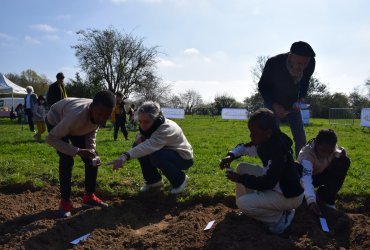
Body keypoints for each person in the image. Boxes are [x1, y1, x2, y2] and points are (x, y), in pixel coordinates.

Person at [219, 108, 304, 236]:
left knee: (243, 202)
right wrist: (231, 155)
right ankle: (248, 210)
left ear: (268, 133)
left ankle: (281, 218)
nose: (251, 136)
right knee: (242, 167)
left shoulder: (277, 151)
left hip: (289, 195)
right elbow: (246, 148)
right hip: (278, 185)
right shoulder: (266, 140)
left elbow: (267, 183)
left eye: (254, 133)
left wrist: (240, 178)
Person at [45, 90, 115, 217]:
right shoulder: (76, 116)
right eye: (99, 115)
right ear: (92, 106)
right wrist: (77, 151)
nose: (101, 119)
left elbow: (91, 130)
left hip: (74, 125)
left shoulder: (99, 111)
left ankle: (89, 196)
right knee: (66, 159)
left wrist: (91, 149)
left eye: (106, 116)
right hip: (57, 119)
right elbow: (51, 139)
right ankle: (65, 202)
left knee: (92, 159)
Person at [109, 101, 193, 194]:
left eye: (146, 122)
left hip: (183, 158)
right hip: (168, 152)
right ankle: (153, 181)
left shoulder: (166, 128)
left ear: (156, 119)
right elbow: (141, 138)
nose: (142, 125)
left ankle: (180, 180)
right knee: (138, 147)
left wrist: (125, 156)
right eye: (140, 121)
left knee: (156, 155)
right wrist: (139, 138)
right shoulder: (154, 125)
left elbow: (148, 146)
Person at [258, 41, 316, 157]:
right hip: (273, 102)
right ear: (290, 57)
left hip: (292, 103)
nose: (302, 67)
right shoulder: (273, 63)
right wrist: (274, 105)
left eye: (305, 63)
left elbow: (305, 81)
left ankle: (300, 166)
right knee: (272, 136)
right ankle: (272, 164)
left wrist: (301, 98)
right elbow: (262, 86)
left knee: (300, 138)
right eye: (299, 63)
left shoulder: (311, 63)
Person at [297, 129, 350, 216]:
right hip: (303, 178)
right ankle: (308, 197)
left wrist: (343, 153)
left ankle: (326, 196)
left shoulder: (333, 149)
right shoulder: (307, 154)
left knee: (344, 161)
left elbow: (339, 152)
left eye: (329, 151)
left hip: (321, 174)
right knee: (300, 198)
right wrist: (311, 201)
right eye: (322, 151)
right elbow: (306, 179)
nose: (325, 154)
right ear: (316, 144)